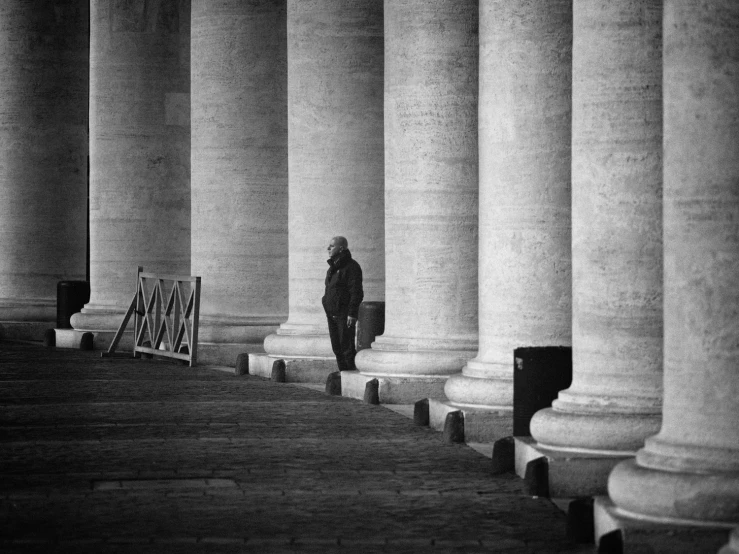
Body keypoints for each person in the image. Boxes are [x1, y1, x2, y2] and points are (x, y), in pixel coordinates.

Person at [322, 236, 363, 372]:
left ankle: (349, 375)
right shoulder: (332, 268)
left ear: (341, 248)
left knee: (346, 347)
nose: (328, 248)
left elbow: (356, 292)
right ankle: (343, 375)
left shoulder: (352, 267)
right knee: (337, 348)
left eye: (332, 246)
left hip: (344, 314)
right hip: (332, 314)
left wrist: (352, 313)